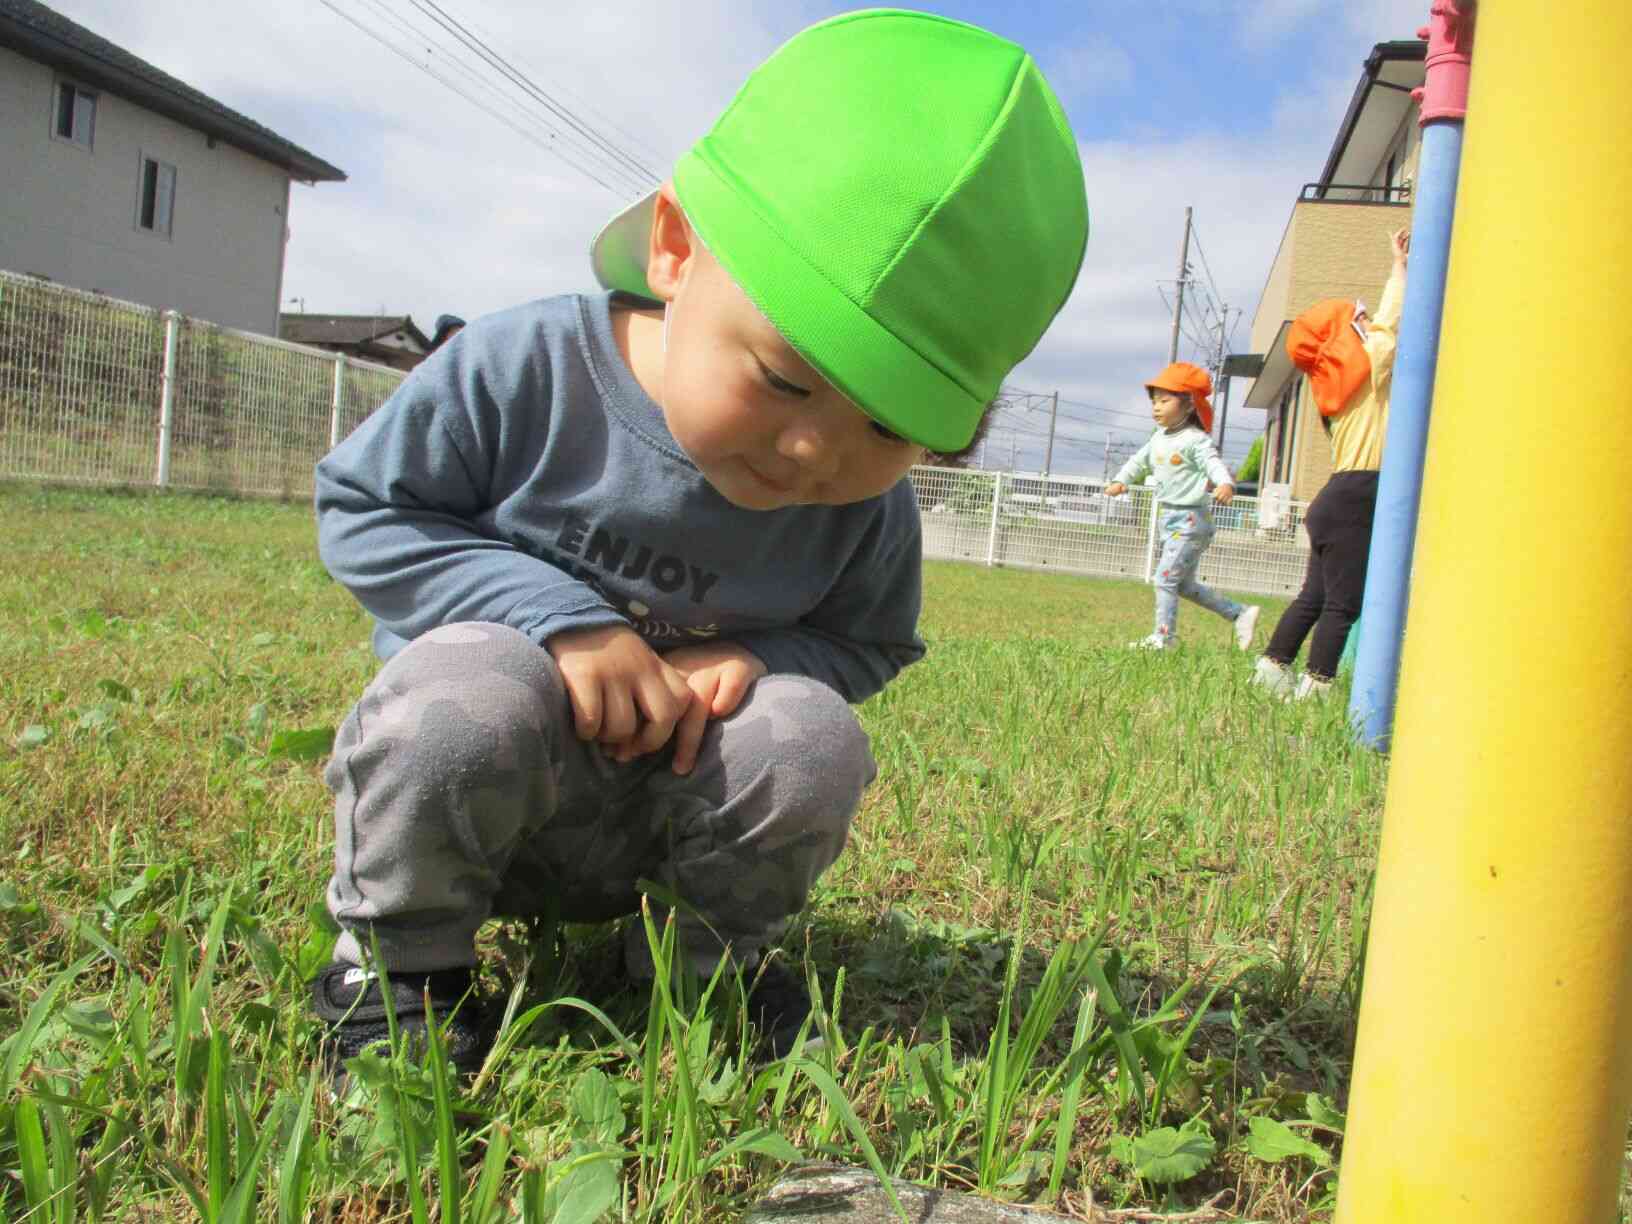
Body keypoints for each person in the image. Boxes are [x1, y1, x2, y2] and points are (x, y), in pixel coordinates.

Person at [306, 9, 1089, 1073]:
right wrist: (561, 623)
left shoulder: (865, 511)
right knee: (467, 687)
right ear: (676, 250)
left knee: (808, 734)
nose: (815, 449)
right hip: (477, 787)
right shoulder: (521, 372)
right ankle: (400, 967)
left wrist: (760, 659)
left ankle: (697, 966)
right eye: (779, 378)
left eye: (890, 426)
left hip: (667, 818)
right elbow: (367, 505)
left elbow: (870, 644)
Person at [1253, 229, 1409, 699]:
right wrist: (1399, 269)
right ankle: (1316, 687)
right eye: (1356, 319)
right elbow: (1390, 325)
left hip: (1336, 498)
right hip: (1359, 495)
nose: (1366, 322)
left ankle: (1270, 675)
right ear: (1345, 338)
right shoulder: (1366, 370)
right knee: (1343, 605)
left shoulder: (1334, 387)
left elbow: (1380, 330)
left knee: (1314, 598)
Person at [1106, 362, 1260, 651]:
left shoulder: (1195, 440)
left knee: (1164, 578)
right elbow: (1137, 461)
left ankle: (1163, 639)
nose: (1157, 407)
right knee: (1183, 585)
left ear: (1189, 404)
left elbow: (1212, 463)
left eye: (1165, 400)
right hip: (1171, 519)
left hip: (1191, 520)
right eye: (1154, 402)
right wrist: (1121, 480)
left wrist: (1225, 483)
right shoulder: (1157, 439)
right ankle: (1239, 613)